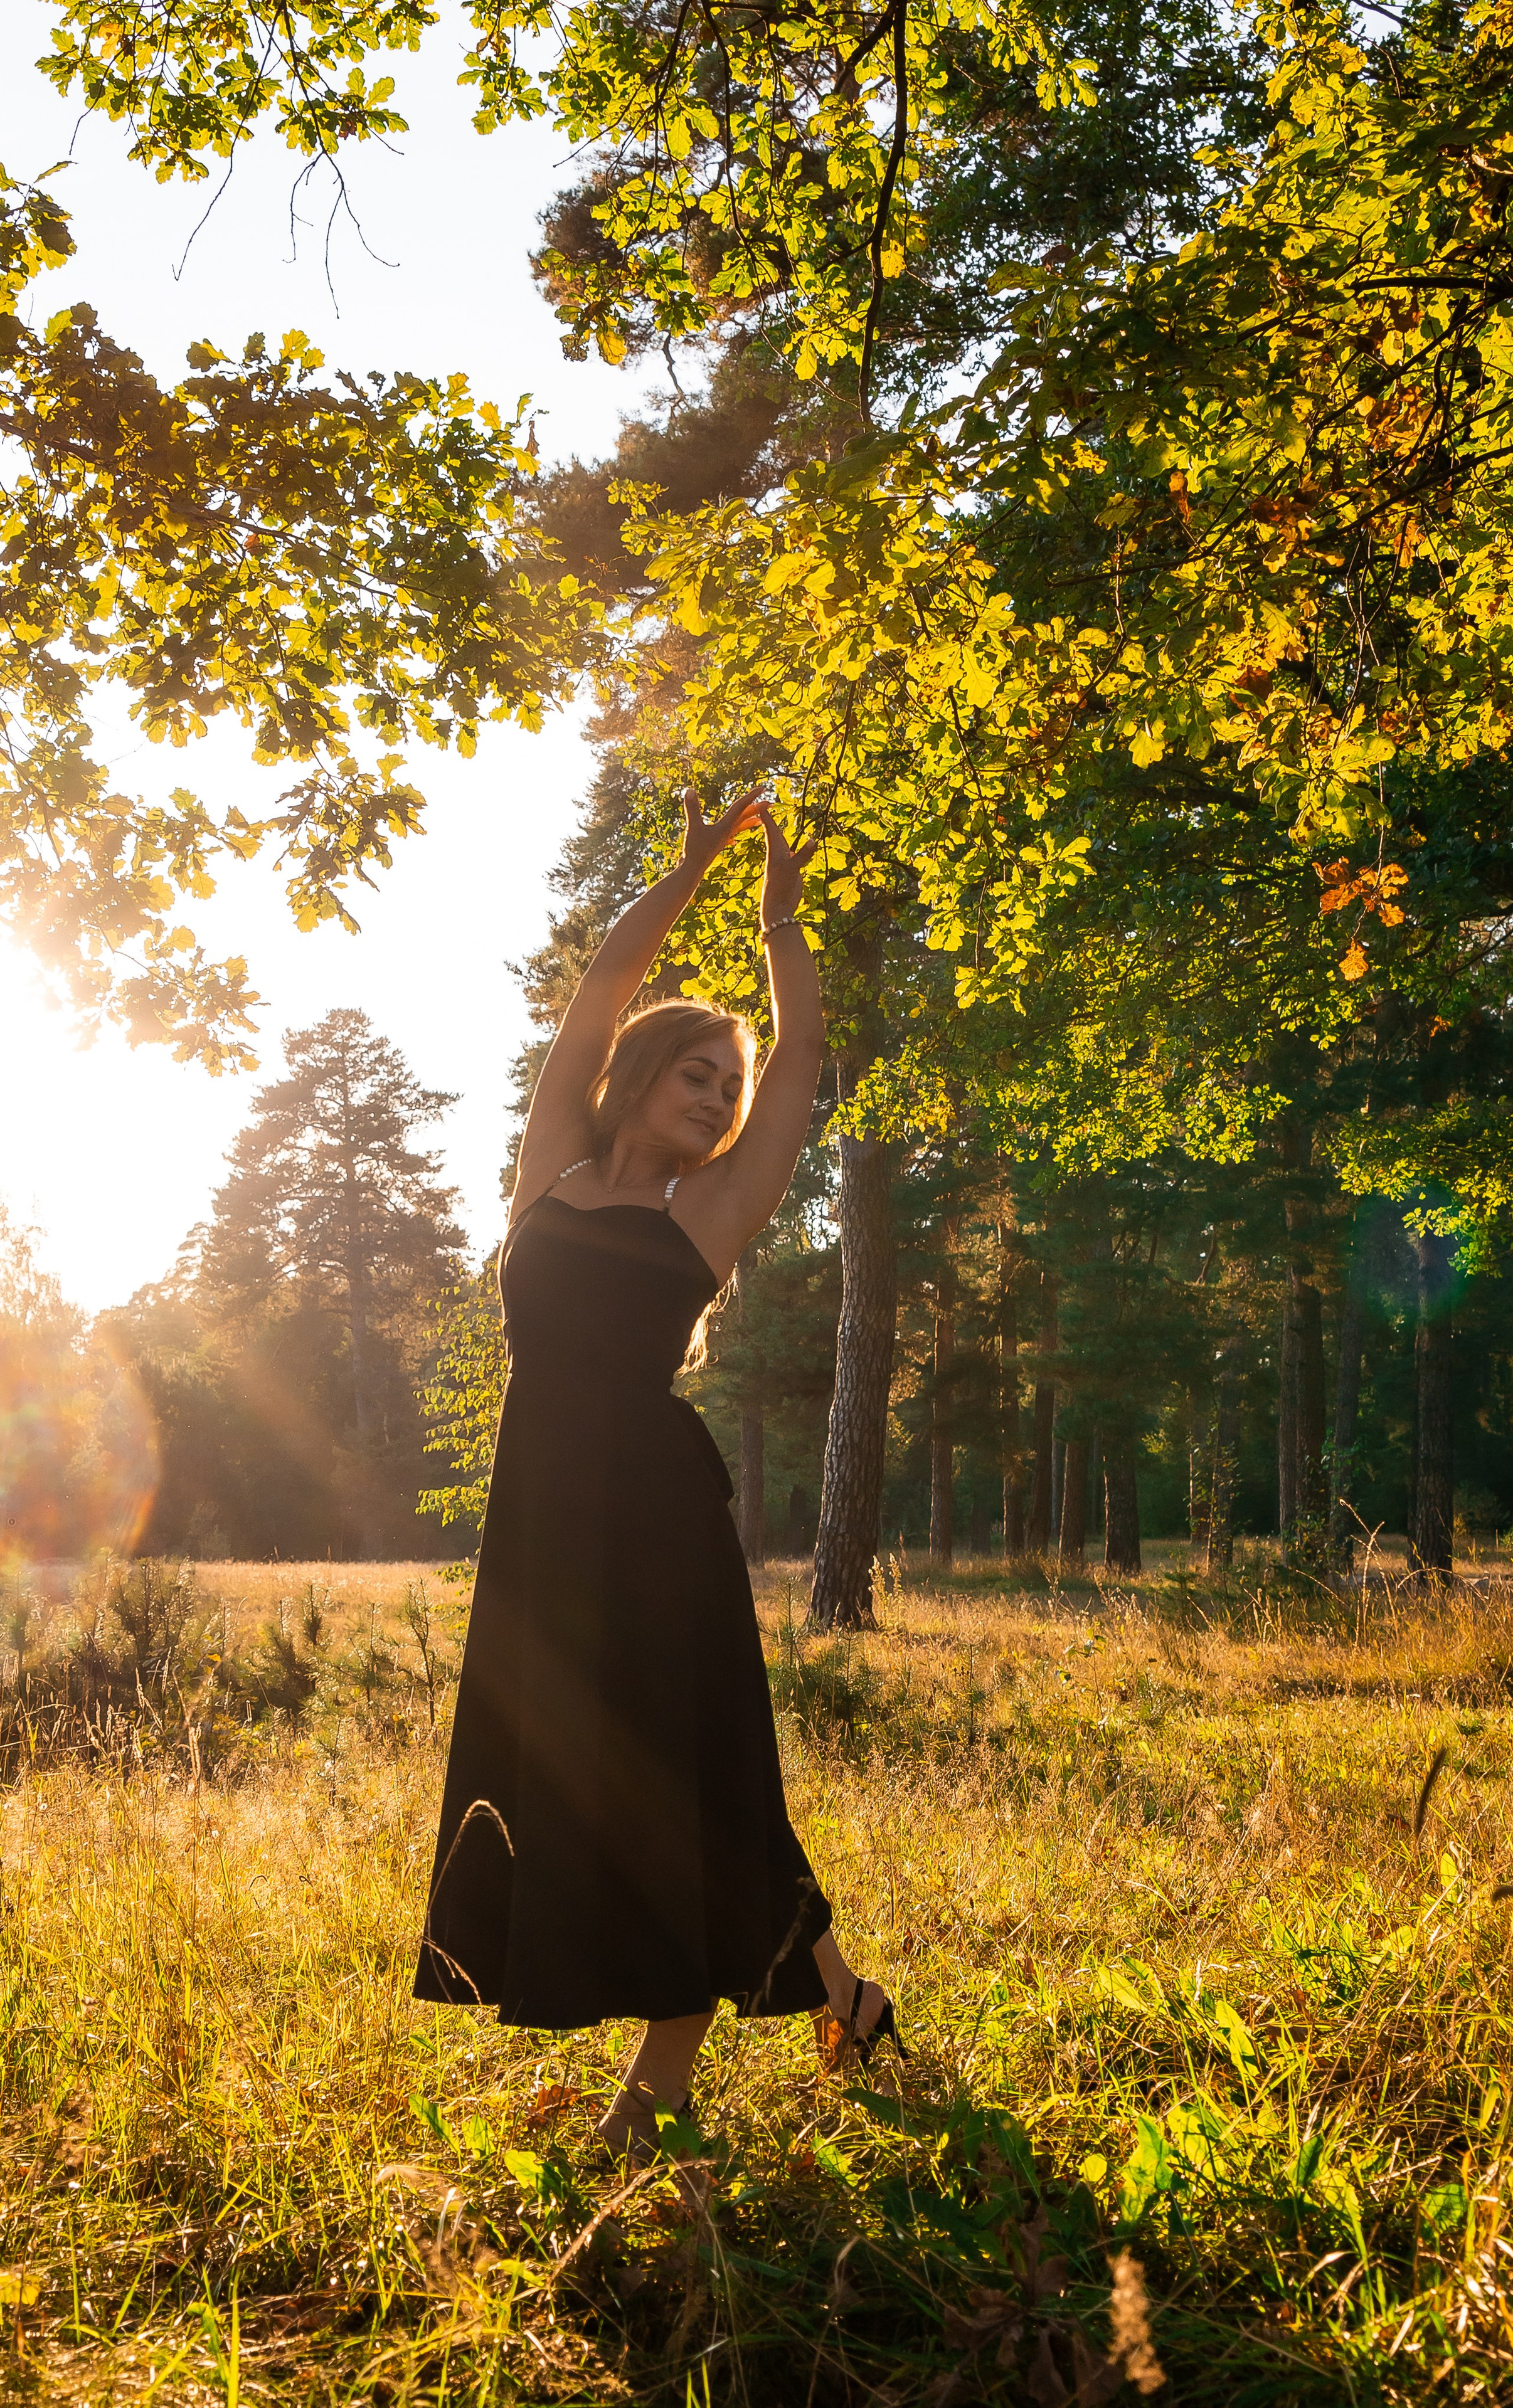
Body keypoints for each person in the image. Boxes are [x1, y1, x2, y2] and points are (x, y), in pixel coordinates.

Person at [413, 784, 903, 2160]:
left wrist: (781, 916)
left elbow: (800, 1048)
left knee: (676, 1789)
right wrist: (685, 870)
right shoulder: (548, 1178)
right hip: (540, 1525)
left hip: (653, 1519)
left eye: (729, 1092)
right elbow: (595, 993)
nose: (720, 1097)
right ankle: (843, 2003)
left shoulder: (714, 1209)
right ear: (641, 1077)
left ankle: (654, 2105)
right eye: (698, 1074)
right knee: (593, 1777)